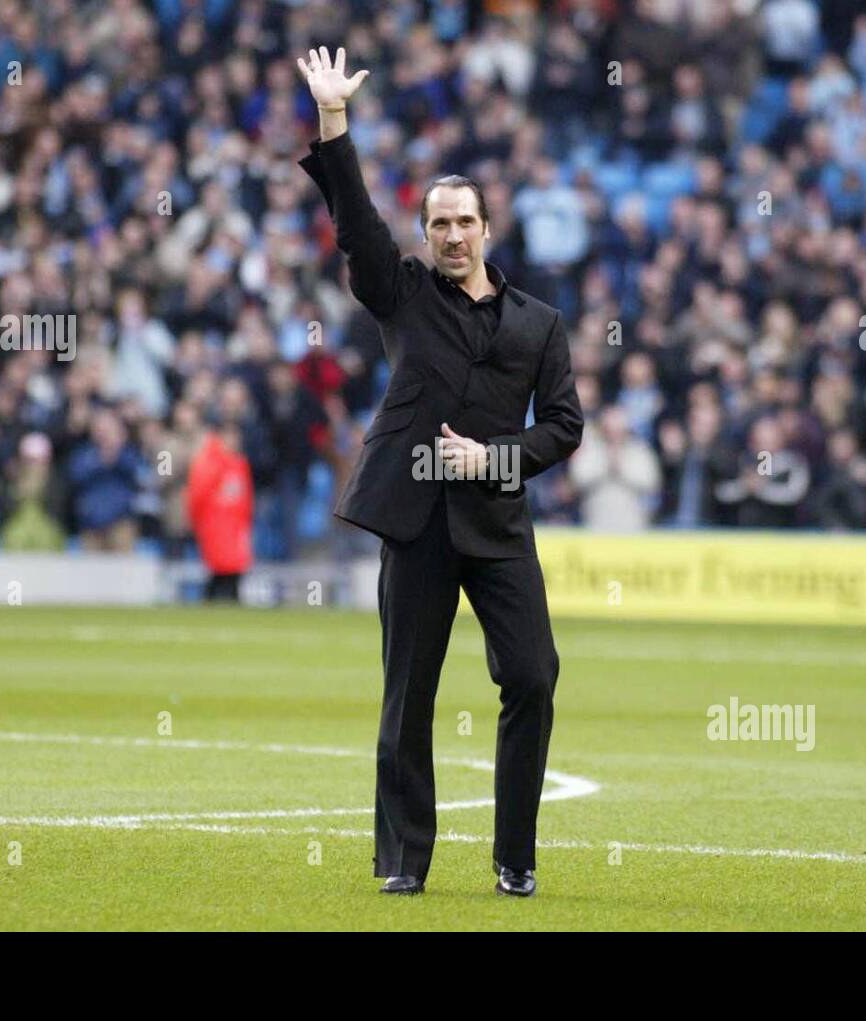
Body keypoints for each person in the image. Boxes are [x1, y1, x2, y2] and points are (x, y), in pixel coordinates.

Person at [296, 46, 583, 897]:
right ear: (425, 235)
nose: (452, 235)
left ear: (488, 228)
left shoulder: (541, 323)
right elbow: (354, 224)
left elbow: (566, 426)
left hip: (497, 526)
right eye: (438, 224)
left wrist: (495, 457)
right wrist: (333, 121)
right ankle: (402, 862)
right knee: (406, 700)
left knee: (533, 676)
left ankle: (514, 856)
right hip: (416, 522)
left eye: (465, 222)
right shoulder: (404, 293)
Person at [186, 419, 254, 601]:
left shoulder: (239, 463)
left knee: (233, 570)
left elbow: (245, 500)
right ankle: (213, 602)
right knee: (219, 570)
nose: (235, 440)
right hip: (215, 527)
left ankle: (228, 601)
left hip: (235, 528)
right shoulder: (209, 462)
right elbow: (197, 498)